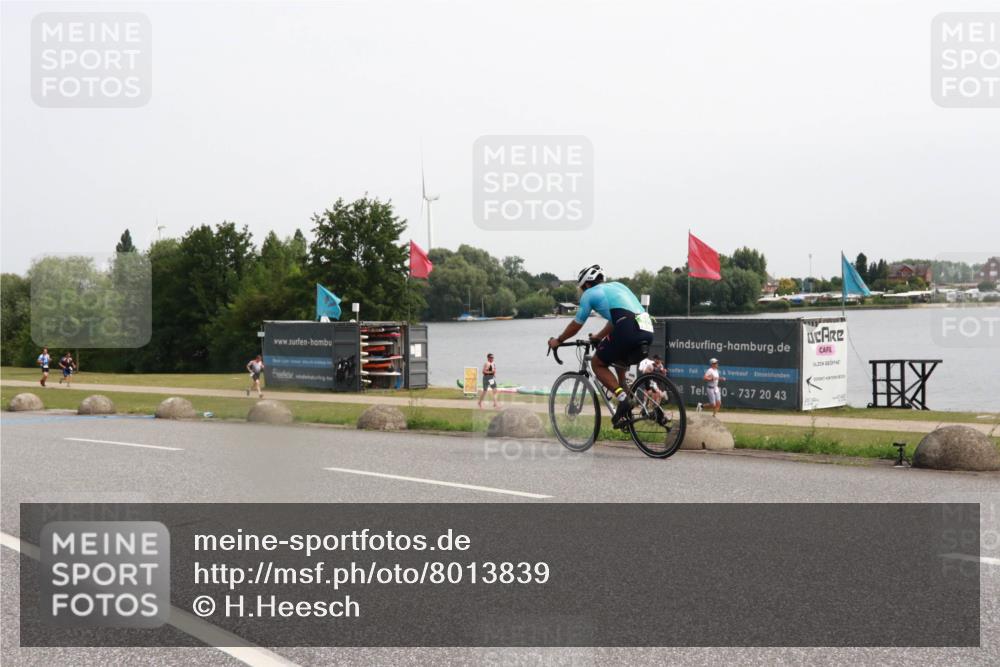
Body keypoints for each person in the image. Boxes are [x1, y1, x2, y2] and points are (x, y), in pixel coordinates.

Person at [548, 264, 654, 427]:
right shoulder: (618, 286)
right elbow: (615, 320)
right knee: (619, 359)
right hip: (647, 328)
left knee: (597, 363)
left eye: (581, 288)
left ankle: (623, 399)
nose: (581, 291)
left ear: (587, 284)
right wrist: (598, 337)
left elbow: (576, 325)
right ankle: (626, 394)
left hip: (627, 328)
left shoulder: (589, 294)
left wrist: (559, 340)